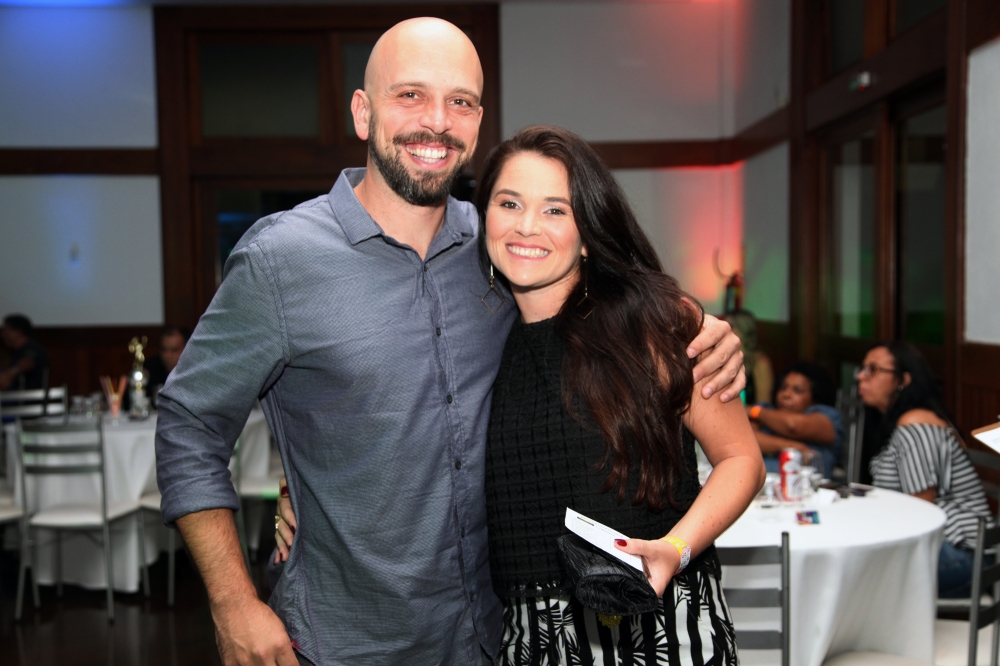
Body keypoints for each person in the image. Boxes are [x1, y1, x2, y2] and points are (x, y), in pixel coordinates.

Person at [156, 18, 746, 666]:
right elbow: (189, 423)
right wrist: (232, 601)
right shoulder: (280, 260)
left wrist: (698, 326)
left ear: (478, 122)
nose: (436, 121)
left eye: (459, 101)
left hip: (495, 637)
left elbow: (601, 293)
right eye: (410, 95)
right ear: (363, 111)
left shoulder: (499, 245)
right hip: (348, 642)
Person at [277, 126, 764, 663]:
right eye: (509, 203)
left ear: (588, 231)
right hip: (529, 639)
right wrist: (296, 486)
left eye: (555, 210)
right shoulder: (479, 336)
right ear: (484, 216)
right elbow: (391, 417)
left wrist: (675, 549)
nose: (527, 226)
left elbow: (740, 459)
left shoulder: (653, 326)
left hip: (658, 628)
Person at [860, 341, 993, 599]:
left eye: (873, 369)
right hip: (939, 545)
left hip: (963, 555)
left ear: (903, 380)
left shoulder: (915, 425)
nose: (861, 376)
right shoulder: (899, 422)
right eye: (862, 368)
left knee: (858, 571)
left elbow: (921, 508)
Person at [747, 361, 845, 476]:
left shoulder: (829, 416)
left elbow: (792, 426)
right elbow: (747, 440)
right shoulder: (768, 409)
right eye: (783, 387)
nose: (786, 394)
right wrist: (790, 446)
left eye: (797, 390)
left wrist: (753, 411)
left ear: (815, 398)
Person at [722, 309, 773, 406]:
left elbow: (763, 404)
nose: (725, 329)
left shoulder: (760, 362)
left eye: (731, 326)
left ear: (744, 329)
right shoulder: (723, 356)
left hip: (748, 414)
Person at [0, 314, 49, 391]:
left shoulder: (33, 347)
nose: (2, 335)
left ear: (18, 331)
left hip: (30, 397)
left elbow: (28, 362)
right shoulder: (17, 352)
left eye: (6, 330)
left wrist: (11, 372)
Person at [143, 326, 189, 399]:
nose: (167, 355)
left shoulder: (194, 372)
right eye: (164, 349)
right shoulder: (151, 368)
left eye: (174, 350)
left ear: (187, 349)